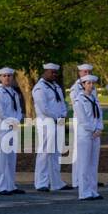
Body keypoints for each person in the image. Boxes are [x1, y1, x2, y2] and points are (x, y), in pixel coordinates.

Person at [31, 63, 70, 192]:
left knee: (56, 153)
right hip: (46, 122)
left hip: (58, 122)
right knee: (44, 152)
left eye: (55, 73)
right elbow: (44, 108)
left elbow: (62, 103)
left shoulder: (56, 87)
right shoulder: (39, 88)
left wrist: (63, 114)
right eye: (51, 72)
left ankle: (56, 182)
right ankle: (41, 182)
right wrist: (58, 116)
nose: (54, 75)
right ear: (45, 72)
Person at [0, 67, 25, 195]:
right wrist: (13, 121)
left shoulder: (14, 92)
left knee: (11, 158)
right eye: (4, 76)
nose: (7, 78)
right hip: (3, 129)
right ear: (0, 77)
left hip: (13, 127)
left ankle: (10, 185)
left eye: (9, 76)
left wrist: (17, 120)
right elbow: (1, 112)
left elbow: (19, 110)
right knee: (2, 159)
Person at [73, 74, 103, 200]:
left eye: (92, 83)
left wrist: (99, 128)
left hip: (95, 134)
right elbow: (82, 119)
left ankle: (92, 190)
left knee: (93, 164)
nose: (90, 85)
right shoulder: (79, 100)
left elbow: (99, 116)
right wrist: (93, 129)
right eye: (88, 83)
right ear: (83, 85)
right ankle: (84, 192)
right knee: (84, 163)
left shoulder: (95, 99)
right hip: (85, 134)